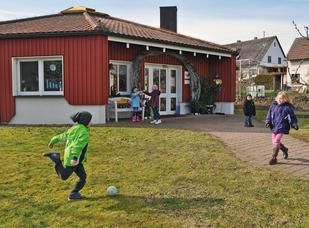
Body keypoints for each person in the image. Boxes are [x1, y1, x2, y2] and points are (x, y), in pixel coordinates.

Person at [43, 111, 92, 200]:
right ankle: (56, 159)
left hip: (75, 158)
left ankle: (74, 194)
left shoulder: (74, 128)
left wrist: (53, 140)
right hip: (74, 159)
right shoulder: (84, 132)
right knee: (64, 176)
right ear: (85, 121)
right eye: (89, 121)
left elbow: (63, 136)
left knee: (83, 176)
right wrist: (74, 157)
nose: (91, 123)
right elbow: (78, 145)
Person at [265, 91, 299, 165]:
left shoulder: (287, 108)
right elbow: (269, 115)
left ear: (286, 99)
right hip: (274, 126)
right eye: (279, 98)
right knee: (275, 142)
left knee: (276, 141)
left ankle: (274, 158)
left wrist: (294, 124)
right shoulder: (273, 106)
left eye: (283, 98)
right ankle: (284, 149)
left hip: (282, 127)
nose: (281, 100)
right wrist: (267, 121)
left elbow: (292, 118)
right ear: (276, 98)